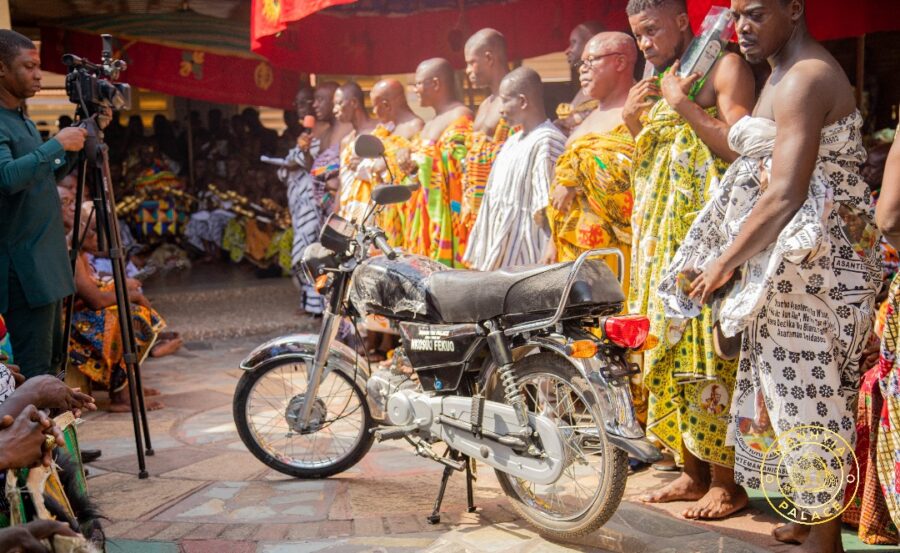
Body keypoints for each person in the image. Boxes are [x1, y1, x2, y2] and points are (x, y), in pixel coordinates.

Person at [659, 1, 880, 550]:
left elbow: (786, 191)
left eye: (756, 13)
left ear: (795, 10)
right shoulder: (778, 73)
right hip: (787, 264)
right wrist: (686, 104)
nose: (743, 27)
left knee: (811, 395)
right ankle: (807, 515)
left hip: (819, 264)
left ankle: (823, 538)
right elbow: (746, 159)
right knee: (782, 391)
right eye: (736, 16)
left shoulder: (806, 77)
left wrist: (724, 260)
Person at [623, 0, 755, 520]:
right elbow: (661, 162)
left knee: (709, 354)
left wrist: (682, 106)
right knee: (671, 352)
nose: (646, 44)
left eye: (652, 30)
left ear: (683, 21)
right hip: (662, 245)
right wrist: (637, 123)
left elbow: (741, 150)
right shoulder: (664, 78)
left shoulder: (725, 67)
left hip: (709, 244)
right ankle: (691, 471)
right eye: (637, 36)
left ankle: (727, 482)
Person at [0, 30, 86, 378]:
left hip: (46, 267)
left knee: (51, 367)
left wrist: (77, 143)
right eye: (29, 66)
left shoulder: (23, 120)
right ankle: (35, 433)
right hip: (24, 270)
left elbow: (41, 175)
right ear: (2, 69)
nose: (38, 74)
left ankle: (52, 432)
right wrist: (56, 145)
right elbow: (8, 178)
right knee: (35, 373)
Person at [543, 32, 638, 290]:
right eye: (580, 64)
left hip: (615, 255)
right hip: (572, 253)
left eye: (590, 61)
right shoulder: (585, 117)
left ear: (619, 62)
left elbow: (633, 174)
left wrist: (576, 182)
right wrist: (552, 243)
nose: (582, 70)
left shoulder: (639, 109)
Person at [463, 68, 564, 271]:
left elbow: (555, 208)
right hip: (499, 262)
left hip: (529, 262)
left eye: (505, 100)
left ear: (523, 101)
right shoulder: (512, 140)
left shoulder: (548, 141)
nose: (500, 109)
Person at [401, 58, 473, 265]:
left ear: (435, 83)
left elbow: (461, 167)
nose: (415, 89)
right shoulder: (430, 123)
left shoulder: (461, 115)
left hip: (448, 220)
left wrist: (420, 159)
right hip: (425, 220)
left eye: (418, 83)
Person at [462, 28, 512, 240]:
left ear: (489, 58)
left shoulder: (516, 100)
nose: (467, 70)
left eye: (471, 62)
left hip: (504, 209)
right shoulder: (485, 104)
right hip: (478, 210)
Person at [369, 79, 424, 247]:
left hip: (405, 208)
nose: (374, 111)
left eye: (374, 106)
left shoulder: (415, 126)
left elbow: (418, 168)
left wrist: (388, 162)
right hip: (386, 208)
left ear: (386, 105)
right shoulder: (388, 129)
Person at [335, 82, 379, 223]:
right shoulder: (345, 141)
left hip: (373, 210)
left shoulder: (378, 131)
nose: (334, 110)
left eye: (339, 103)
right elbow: (342, 183)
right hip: (348, 211)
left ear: (354, 102)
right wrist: (336, 216)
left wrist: (365, 164)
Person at [555, 21, 606, 135]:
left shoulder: (608, 87)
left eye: (574, 43)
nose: (567, 51)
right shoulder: (586, 88)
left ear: (592, 42)